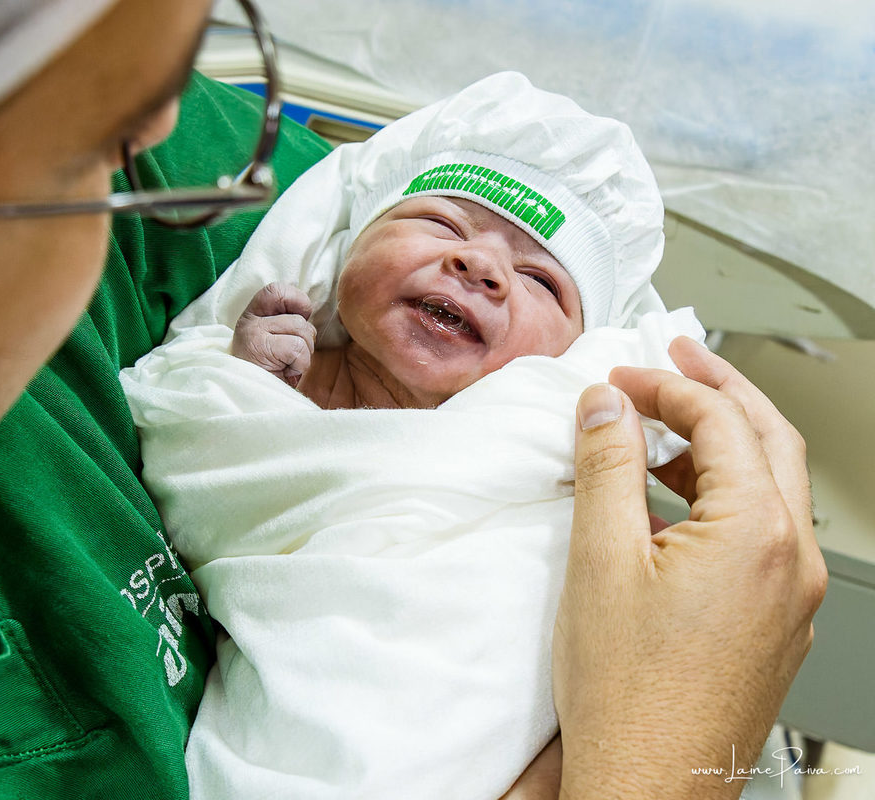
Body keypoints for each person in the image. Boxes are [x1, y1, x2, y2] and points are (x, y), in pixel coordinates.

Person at [0, 1, 825, 798]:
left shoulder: (160, 208)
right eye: (95, 145)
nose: (167, 135)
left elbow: (328, 201)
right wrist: (662, 762)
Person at [120, 72, 706, 798]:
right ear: (345, 251)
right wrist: (238, 380)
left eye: (541, 281)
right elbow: (190, 437)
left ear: (570, 356)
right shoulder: (279, 371)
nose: (481, 265)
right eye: (442, 225)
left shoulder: (536, 444)